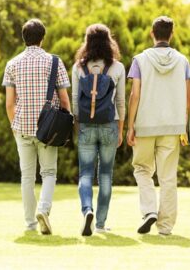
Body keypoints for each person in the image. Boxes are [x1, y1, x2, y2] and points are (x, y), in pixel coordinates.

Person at [2, 19, 71, 235]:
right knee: (49, 172)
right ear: (42, 38)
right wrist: (66, 122)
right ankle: (43, 210)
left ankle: (30, 223)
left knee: (27, 177)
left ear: (24, 38)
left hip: (22, 127)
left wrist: (15, 126)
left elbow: (9, 103)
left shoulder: (12, 64)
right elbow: (64, 99)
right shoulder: (54, 62)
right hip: (48, 130)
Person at [127, 16, 190, 235]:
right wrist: (184, 126)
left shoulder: (140, 60)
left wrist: (130, 126)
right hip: (173, 126)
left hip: (145, 124)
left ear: (152, 33)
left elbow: (134, 95)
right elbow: (189, 97)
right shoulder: (183, 61)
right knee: (168, 177)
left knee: (142, 169)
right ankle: (165, 227)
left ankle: (149, 212)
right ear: (171, 34)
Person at [72, 24, 126, 236]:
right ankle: (101, 223)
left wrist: (78, 125)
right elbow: (120, 102)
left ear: (87, 42)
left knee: (85, 173)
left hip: (86, 125)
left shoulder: (78, 67)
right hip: (109, 125)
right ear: (108, 41)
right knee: (105, 175)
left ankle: (87, 210)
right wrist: (120, 129)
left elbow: (76, 101)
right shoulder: (117, 67)